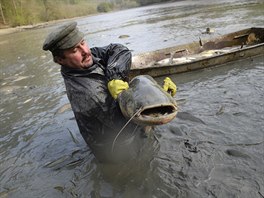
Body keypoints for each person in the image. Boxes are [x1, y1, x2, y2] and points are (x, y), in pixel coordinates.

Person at [42, 21, 177, 163]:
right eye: (74, 50)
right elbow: (129, 125)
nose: (85, 51)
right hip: (118, 152)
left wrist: (115, 77)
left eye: (83, 42)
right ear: (60, 60)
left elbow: (119, 49)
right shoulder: (88, 94)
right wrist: (161, 97)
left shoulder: (86, 58)